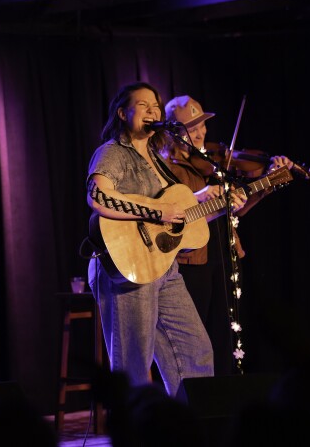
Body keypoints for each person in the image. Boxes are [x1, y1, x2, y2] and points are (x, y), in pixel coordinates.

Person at [86, 82, 246, 396]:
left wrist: (224, 206)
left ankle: (191, 430)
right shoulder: (114, 152)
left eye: (156, 106)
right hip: (129, 267)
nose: (152, 111)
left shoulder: (157, 162)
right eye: (142, 105)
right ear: (122, 113)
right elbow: (97, 196)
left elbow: (183, 220)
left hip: (164, 270)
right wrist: (158, 211)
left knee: (196, 351)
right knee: (133, 366)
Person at [162, 95, 293, 375]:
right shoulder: (166, 167)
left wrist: (269, 181)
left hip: (224, 250)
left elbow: (239, 210)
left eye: (203, 126)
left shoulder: (214, 160)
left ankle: (224, 397)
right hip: (191, 259)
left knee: (226, 334)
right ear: (174, 131)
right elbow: (169, 211)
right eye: (192, 128)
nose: (201, 133)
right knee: (196, 338)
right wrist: (201, 198)